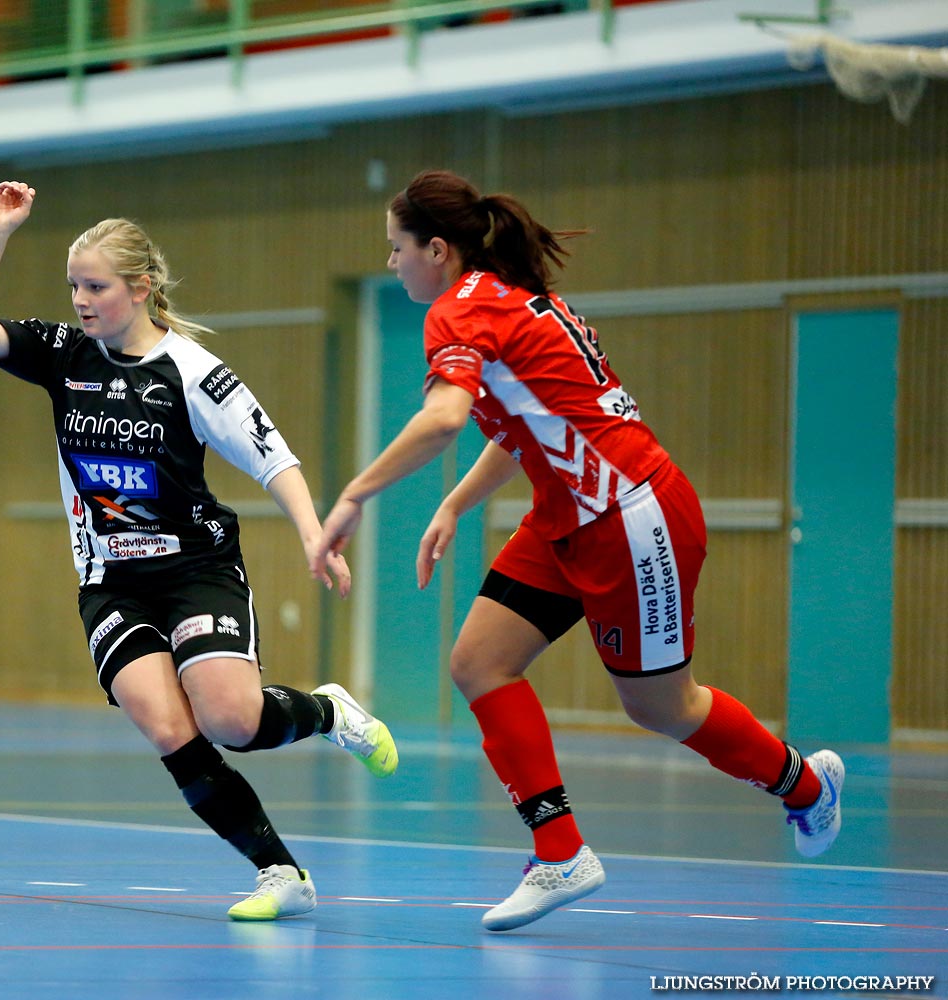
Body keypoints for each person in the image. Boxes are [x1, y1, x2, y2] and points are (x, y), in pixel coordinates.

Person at [308, 169, 845, 932]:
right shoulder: (502, 297)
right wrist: (455, 504)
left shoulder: (461, 310)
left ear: (437, 249)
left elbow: (444, 420)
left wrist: (355, 494)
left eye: (396, 248)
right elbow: (518, 426)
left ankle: (804, 787)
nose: (391, 263)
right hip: (568, 513)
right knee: (478, 662)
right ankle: (559, 852)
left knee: (661, 707)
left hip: (632, 515)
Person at [0, 180, 399, 921]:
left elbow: (274, 457)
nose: (82, 301)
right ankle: (279, 872)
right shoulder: (66, 356)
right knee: (166, 726)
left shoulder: (191, 372)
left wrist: (315, 534)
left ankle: (327, 714)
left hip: (198, 570)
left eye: (96, 286)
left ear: (141, 287)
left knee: (232, 721)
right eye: (74, 286)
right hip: (111, 580)